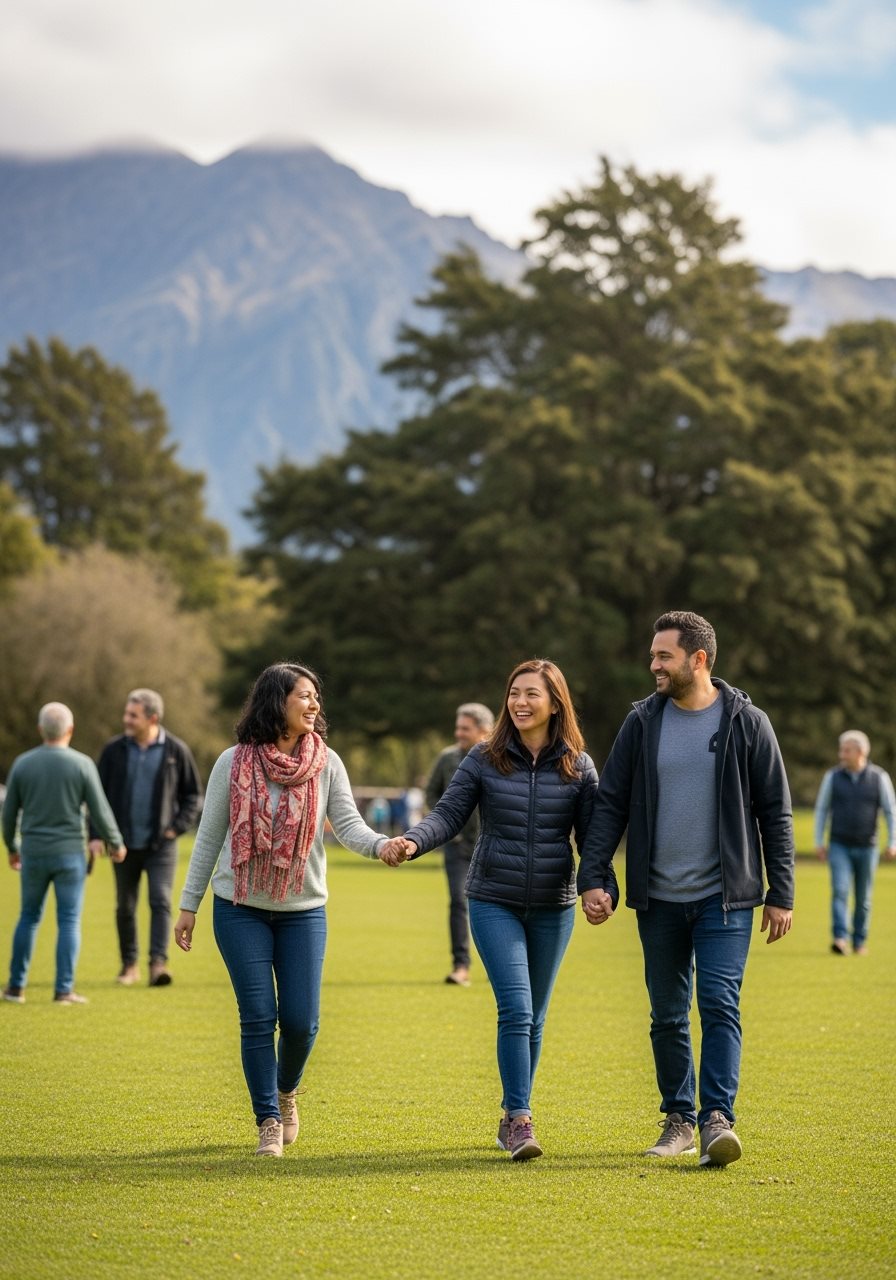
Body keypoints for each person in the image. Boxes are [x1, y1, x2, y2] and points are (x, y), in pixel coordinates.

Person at [577, 611, 794, 1168]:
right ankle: (678, 1119)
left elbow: (776, 811)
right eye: (652, 655)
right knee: (668, 1014)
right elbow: (611, 806)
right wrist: (594, 877)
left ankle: (716, 1117)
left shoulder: (748, 722)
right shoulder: (642, 723)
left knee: (719, 1004)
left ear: (697, 659)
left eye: (663, 656)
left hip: (728, 898)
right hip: (659, 900)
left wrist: (781, 891)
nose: (653, 664)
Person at [172, 662, 411, 1158]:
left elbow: (349, 825)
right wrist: (189, 905)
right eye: (304, 695)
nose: (314, 704)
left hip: (303, 910)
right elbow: (210, 837)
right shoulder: (232, 764)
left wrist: (383, 845)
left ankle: (286, 1090)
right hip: (239, 907)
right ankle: (267, 1119)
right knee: (258, 1017)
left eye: (316, 697)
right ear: (276, 701)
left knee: (302, 1022)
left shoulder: (327, 763)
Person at [385, 659, 612, 1162]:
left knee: (536, 1017)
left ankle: (511, 1115)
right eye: (514, 693)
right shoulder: (485, 759)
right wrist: (413, 841)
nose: (520, 702)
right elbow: (447, 813)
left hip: (554, 904)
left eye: (532, 694)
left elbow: (593, 839)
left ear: (555, 702)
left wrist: (600, 886)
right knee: (516, 1008)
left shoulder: (579, 765)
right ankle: (521, 1119)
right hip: (493, 898)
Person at [2, 702, 126, 1004]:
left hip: (33, 851)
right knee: (69, 920)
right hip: (70, 853)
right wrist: (116, 842)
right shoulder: (82, 764)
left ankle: (15, 987)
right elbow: (100, 809)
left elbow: (8, 814)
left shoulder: (22, 764)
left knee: (28, 917)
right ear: (70, 730)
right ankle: (63, 989)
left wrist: (12, 847)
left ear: (40, 730)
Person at [89, 688, 203, 987]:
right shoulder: (114, 750)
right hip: (122, 844)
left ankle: (158, 964)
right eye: (127, 713)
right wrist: (96, 834)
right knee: (124, 906)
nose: (126, 719)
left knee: (161, 900)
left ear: (152, 718)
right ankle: (129, 966)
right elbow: (96, 796)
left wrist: (174, 828)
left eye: (133, 715)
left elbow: (193, 796)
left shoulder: (176, 751)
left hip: (160, 846)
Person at [425, 701, 495, 987]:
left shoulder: (500, 759)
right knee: (458, 902)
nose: (459, 733)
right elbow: (432, 793)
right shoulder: (446, 759)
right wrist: (447, 830)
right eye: (458, 727)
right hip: (458, 848)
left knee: (495, 906)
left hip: (493, 847)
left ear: (485, 730)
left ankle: (500, 966)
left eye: (465, 729)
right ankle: (461, 966)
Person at [814, 730, 896, 956]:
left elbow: (890, 812)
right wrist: (818, 841)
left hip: (868, 847)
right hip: (839, 844)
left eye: (846, 750)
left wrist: (893, 842)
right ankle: (840, 938)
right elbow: (822, 810)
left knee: (863, 898)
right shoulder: (832, 777)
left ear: (861, 752)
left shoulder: (880, 777)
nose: (841, 754)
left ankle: (859, 941)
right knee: (840, 890)